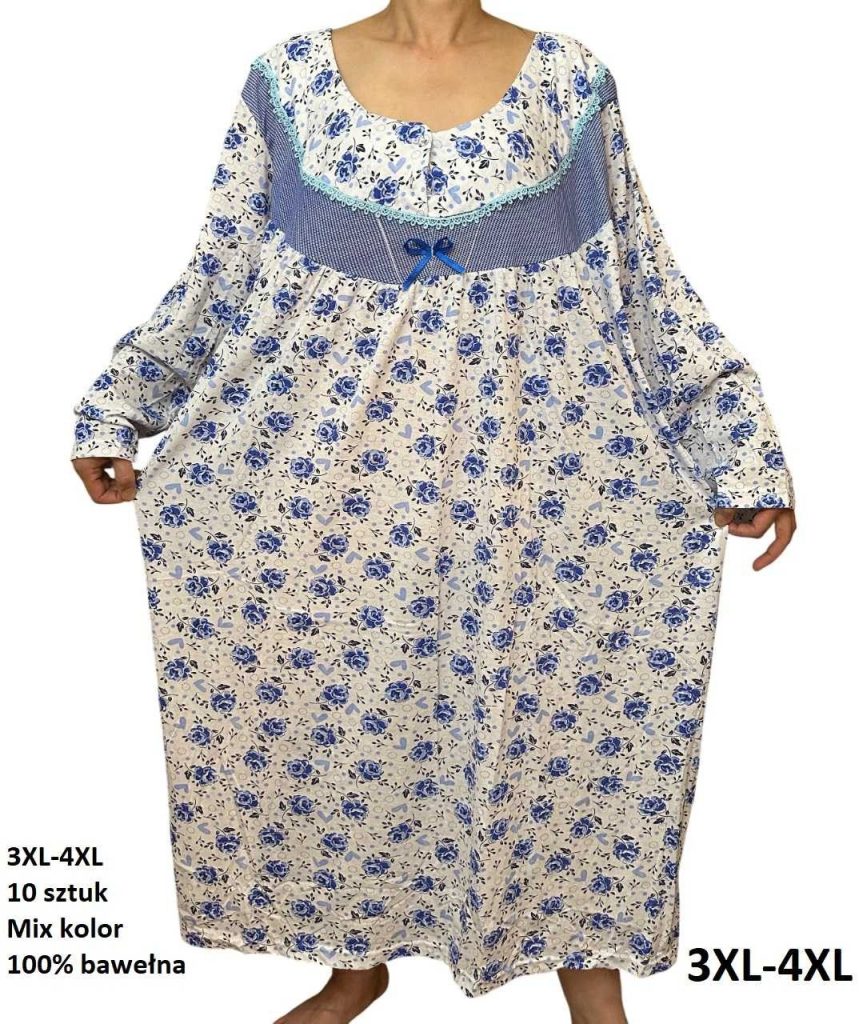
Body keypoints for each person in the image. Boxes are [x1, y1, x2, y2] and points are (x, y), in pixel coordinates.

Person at [70, 3, 796, 1022]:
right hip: (329, 491)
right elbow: (222, 272)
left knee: (556, 712)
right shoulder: (288, 82)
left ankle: (589, 982)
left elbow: (640, 283)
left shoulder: (568, 81)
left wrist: (734, 439)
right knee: (341, 706)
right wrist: (126, 401)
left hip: (541, 487)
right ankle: (353, 963)